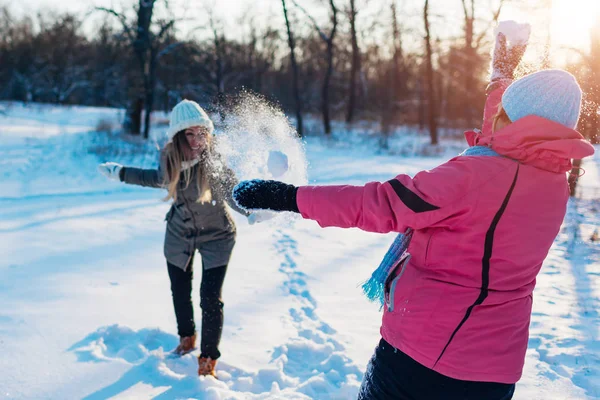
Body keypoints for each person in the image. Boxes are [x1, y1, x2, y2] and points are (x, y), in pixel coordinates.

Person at [230, 28, 596, 399]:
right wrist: (501, 81)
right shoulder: (552, 179)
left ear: (512, 119)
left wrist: (289, 197)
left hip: (426, 359)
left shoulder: (475, 178)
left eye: (503, 112)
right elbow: (509, 139)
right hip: (496, 373)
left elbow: (382, 204)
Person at [98, 100, 252, 378]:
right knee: (180, 290)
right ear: (179, 136)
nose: (196, 140)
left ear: (208, 132)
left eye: (200, 133)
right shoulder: (171, 157)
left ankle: (207, 360)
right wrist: (121, 173)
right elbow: (156, 178)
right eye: (189, 134)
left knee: (210, 298)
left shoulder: (214, 158)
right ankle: (186, 337)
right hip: (179, 233)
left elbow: (231, 189)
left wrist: (250, 210)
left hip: (217, 234)